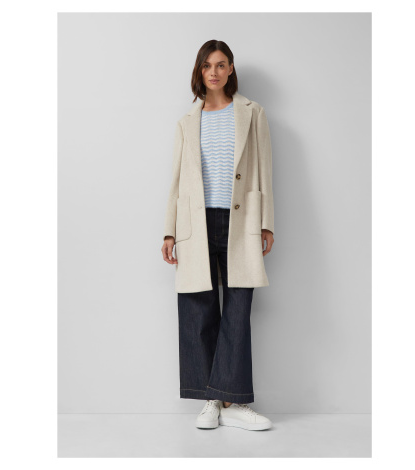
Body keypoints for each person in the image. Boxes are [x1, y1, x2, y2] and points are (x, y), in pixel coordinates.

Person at [161, 40, 275, 431]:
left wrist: (266, 222)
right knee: (198, 311)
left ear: (230, 70)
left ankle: (235, 401)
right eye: (208, 65)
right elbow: (176, 180)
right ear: (200, 71)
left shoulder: (252, 113)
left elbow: (264, 170)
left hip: (241, 222)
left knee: (237, 311)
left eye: (221, 64)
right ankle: (212, 399)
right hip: (195, 224)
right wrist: (169, 231)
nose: (214, 72)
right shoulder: (186, 122)